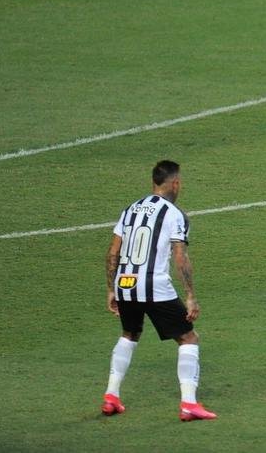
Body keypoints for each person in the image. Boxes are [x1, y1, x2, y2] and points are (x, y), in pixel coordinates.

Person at [100, 160, 217, 421]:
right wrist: (189, 296)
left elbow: (113, 252)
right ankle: (189, 404)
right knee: (188, 338)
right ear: (175, 183)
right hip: (153, 284)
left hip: (125, 283)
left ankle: (111, 396)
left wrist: (112, 289)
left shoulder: (129, 209)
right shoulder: (175, 215)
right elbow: (180, 257)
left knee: (129, 334)